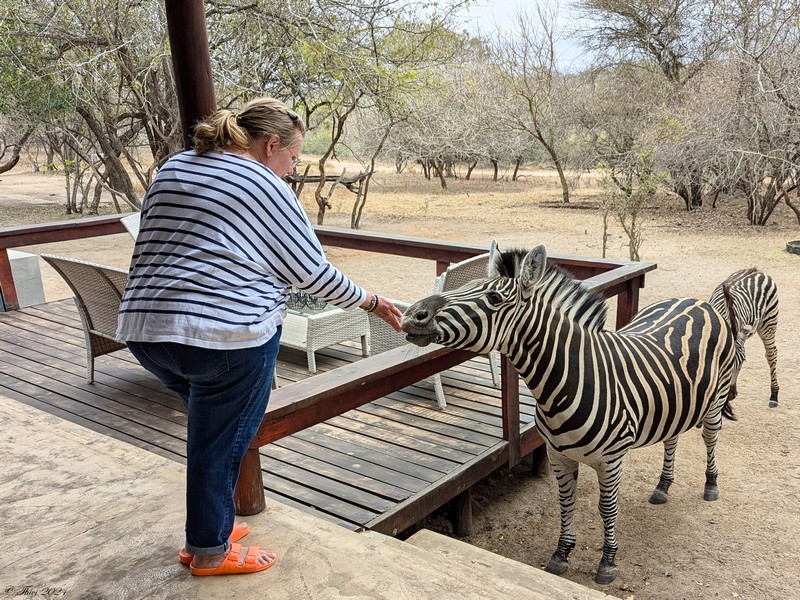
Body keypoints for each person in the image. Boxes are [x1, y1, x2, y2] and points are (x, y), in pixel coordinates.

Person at [116, 97, 403, 577]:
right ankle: (208, 550)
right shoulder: (265, 183)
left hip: (147, 333)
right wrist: (372, 302)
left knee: (212, 434)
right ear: (271, 146)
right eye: (294, 158)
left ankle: (210, 529)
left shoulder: (176, 165)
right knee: (221, 442)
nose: (292, 170)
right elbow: (313, 274)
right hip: (225, 338)